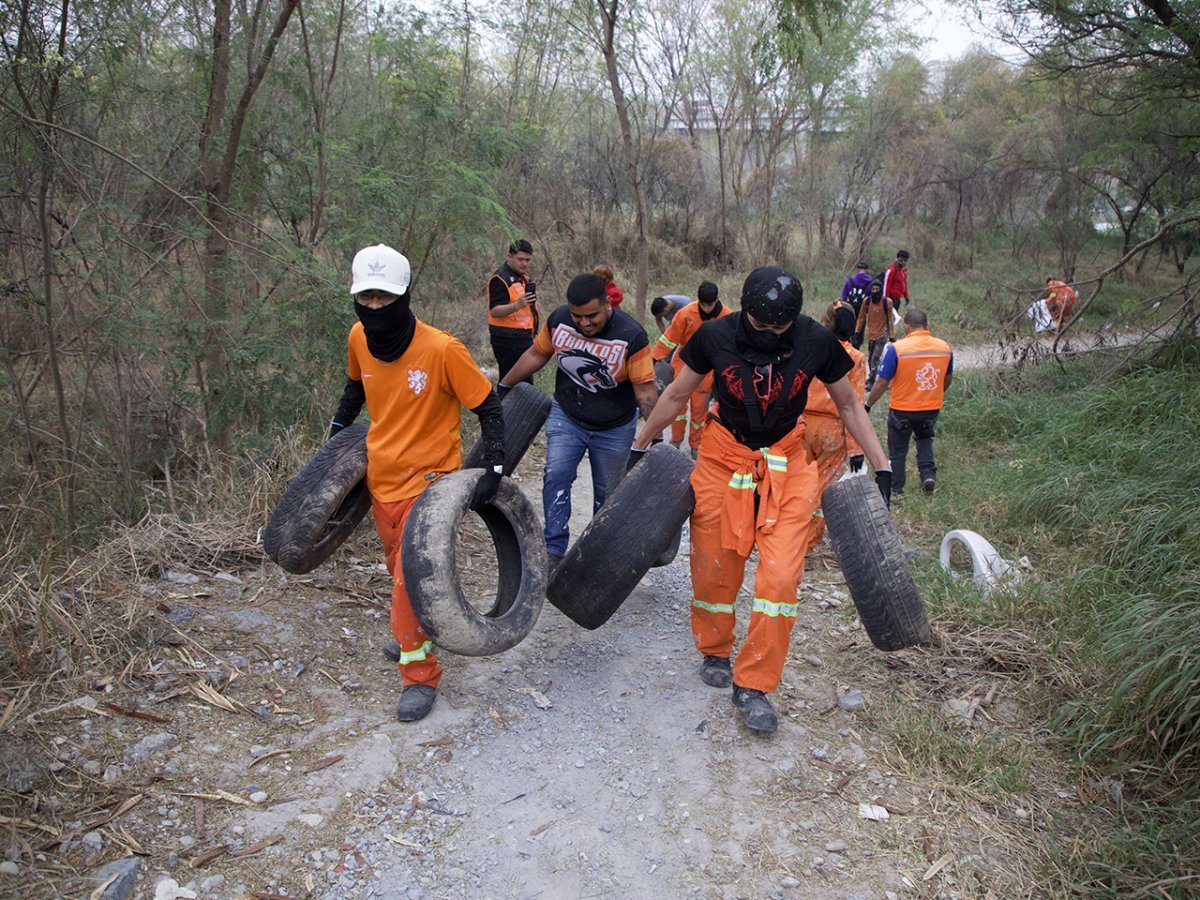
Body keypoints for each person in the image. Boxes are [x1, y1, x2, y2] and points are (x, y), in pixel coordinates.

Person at [631, 267, 892, 735]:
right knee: (716, 566)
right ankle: (714, 648)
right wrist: (641, 444)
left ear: (795, 319)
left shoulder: (816, 341)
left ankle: (754, 684)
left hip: (787, 463)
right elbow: (677, 393)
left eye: (780, 328)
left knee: (781, 575)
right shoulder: (714, 335)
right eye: (761, 326)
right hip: (721, 458)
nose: (770, 335)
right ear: (745, 310)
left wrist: (883, 464)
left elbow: (851, 406)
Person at [329, 245, 507, 723]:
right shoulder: (358, 339)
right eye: (365, 297)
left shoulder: (442, 350)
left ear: (405, 295)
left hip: (433, 484)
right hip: (381, 480)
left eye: (384, 298)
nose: (374, 307)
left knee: (409, 579)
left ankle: (419, 676)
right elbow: (354, 390)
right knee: (399, 573)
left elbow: (488, 406)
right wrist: (332, 444)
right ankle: (413, 629)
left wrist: (493, 469)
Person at [499, 273, 659, 568]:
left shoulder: (631, 335)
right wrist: (505, 386)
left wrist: (656, 439)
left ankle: (596, 552)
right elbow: (537, 354)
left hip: (614, 426)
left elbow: (646, 394)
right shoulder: (559, 321)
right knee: (556, 475)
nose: (584, 323)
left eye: (591, 316)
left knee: (607, 493)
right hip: (567, 415)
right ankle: (554, 548)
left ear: (607, 304)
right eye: (577, 316)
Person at [864, 306, 953, 496]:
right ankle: (928, 476)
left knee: (898, 450)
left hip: (902, 410)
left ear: (906, 327)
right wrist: (934, 393)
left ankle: (896, 488)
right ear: (927, 325)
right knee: (924, 440)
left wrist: (868, 404)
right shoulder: (944, 348)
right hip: (931, 407)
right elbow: (946, 379)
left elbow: (881, 383)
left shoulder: (898, 349)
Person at [801, 300, 867, 553]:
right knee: (820, 490)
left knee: (794, 482)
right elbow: (854, 407)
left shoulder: (810, 346)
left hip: (801, 425)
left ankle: (782, 536)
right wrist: (856, 450)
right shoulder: (855, 358)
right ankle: (805, 546)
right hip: (832, 430)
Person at [651, 281, 731, 454]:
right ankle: (676, 439)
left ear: (717, 299)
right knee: (677, 407)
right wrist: (654, 358)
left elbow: (733, 344)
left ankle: (696, 444)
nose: (707, 309)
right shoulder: (686, 313)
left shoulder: (727, 317)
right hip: (684, 363)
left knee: (699, 410)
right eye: (703, 304)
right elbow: (669, 338)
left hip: (708, 368)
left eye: (710, 304)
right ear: (698, 300)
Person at [486, 239, 539, 383]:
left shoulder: (522, 277)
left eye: (528, 260)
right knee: (512, 383)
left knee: (524, 383)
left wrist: (533, 333)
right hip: (507, 340)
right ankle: (504, 405)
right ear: (509, 257)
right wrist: (517, 305)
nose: (525, 264)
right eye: (520, 259)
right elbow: (495, 310)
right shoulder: (500, 279)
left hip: (522, 338)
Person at [854, 278, 895, 390]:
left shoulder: (887, 302)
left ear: (881, 290)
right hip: (871, 334)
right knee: (871, 356)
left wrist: (891, 335)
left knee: (875, 358)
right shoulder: (867, 301)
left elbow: (890, 320)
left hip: (882, 334)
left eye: (877, 289)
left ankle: (871, 382)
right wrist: (857, 332)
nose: (875, 291)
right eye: (873, 289)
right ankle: (871, 377)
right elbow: (861, 317)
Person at [840, 260, 874, 326]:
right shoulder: (871, 284)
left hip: (849, 309)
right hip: (862, 311)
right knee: (859, 331)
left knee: (848, 330)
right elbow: (871, 300)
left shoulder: (849, 281)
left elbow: (843, 297)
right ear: (867, 270)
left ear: (857, 269)